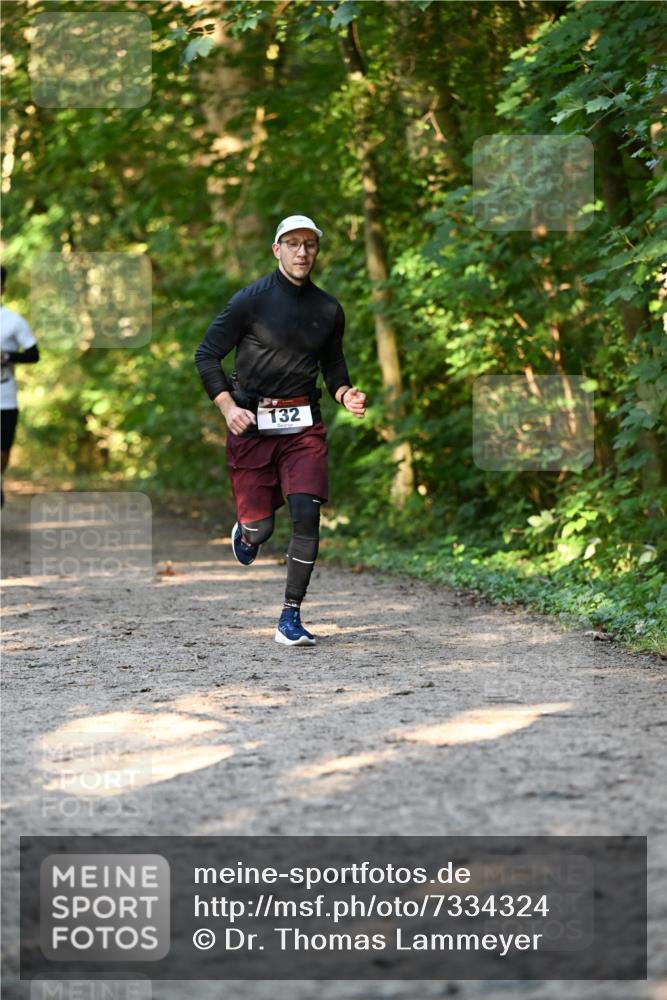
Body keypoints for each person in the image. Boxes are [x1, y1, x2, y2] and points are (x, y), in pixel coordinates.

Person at [195, 214, 366, 646]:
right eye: (293, 244)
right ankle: (248, 529)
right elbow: (206, 356)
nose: (302, 252)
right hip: (251, 422)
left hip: (303, 424)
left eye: (309, 244)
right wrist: (227, 407)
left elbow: (333, 363)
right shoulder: (250, 301)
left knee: (306, 512)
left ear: (317, 251)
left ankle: (290, 616)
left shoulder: (328, 309)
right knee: (261, 529)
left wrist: (345, 393)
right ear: (277, 250)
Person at [1, 266, 39, 507]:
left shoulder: (13, 322)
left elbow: (34, 355)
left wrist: (7, 357)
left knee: (2, 451)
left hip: (4, 396)